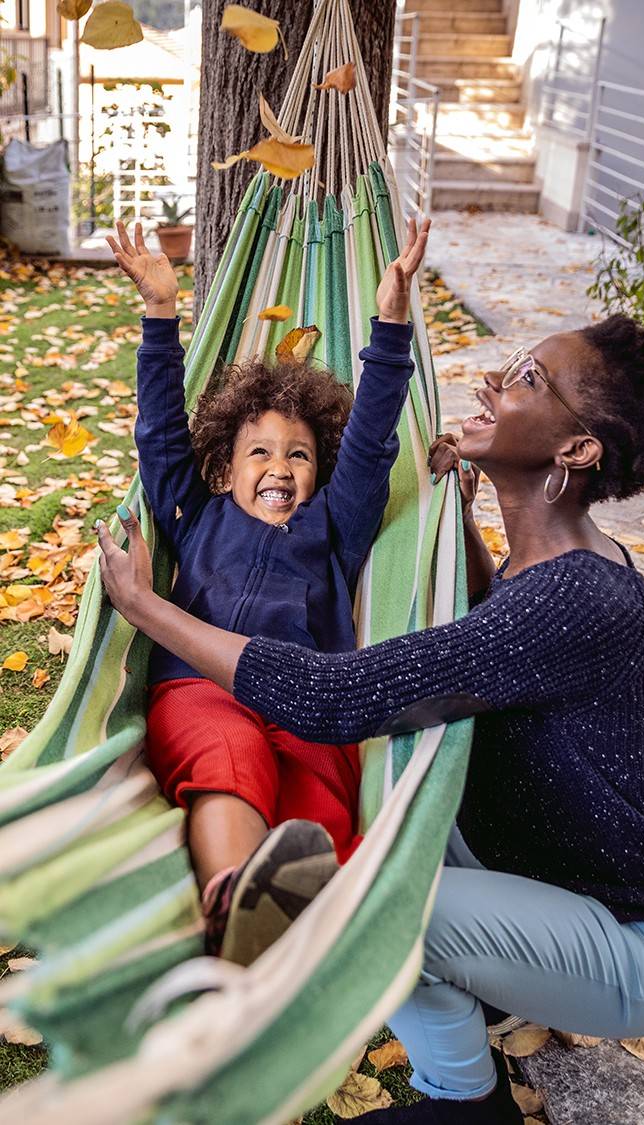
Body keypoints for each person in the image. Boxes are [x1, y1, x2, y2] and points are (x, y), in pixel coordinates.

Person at [97, 303, 644, 1124]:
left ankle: (451, 1090)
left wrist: (147, 608)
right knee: (383, 832)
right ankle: (469, 1090)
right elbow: (494, 620)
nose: (494, 383)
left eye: (527, 380)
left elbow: (337, 699)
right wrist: (456, 517)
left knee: (367, 899)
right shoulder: (552, 567)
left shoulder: (577, 597)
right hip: (538, 867)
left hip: (643, 939)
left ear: (575, 450)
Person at [103, 217, 430, 967]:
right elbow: (158, 436)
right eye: (259, 451)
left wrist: (391, 323)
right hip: (202, 689)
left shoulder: (336, 527)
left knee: (316, 807)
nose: (279, 466)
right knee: (227, 757)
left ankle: (292, 918)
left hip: (311, 700)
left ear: (320, 472)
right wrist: (159, 314)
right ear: (224, 468)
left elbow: (375, 441)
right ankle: (231, 899)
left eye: (299, 454)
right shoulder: (197, 514)